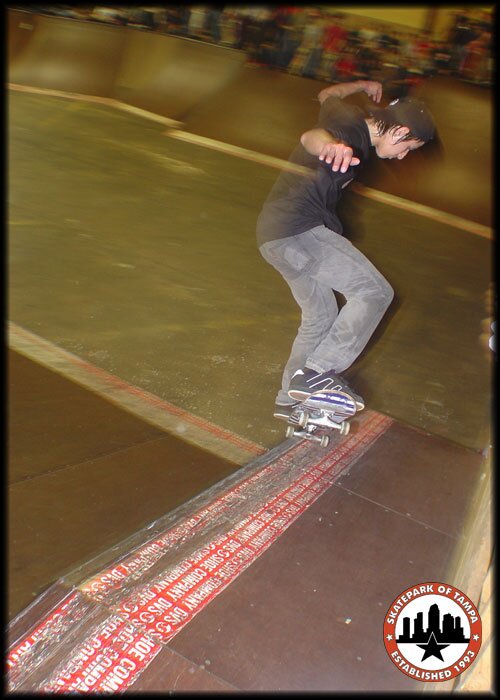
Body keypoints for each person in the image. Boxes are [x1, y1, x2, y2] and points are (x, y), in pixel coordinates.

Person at [256, 80, 436, 420]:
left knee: (320, 317)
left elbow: (328, 95)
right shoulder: (350, 132)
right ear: (400, 131)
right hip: (299, 232)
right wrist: (330, 146)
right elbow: (310, 137)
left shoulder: (347, 113)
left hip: (274, 236)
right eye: (408, 148)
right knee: (374, 292)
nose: (402, 156)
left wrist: (361, 84)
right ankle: (317, 375)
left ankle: (289, 399)